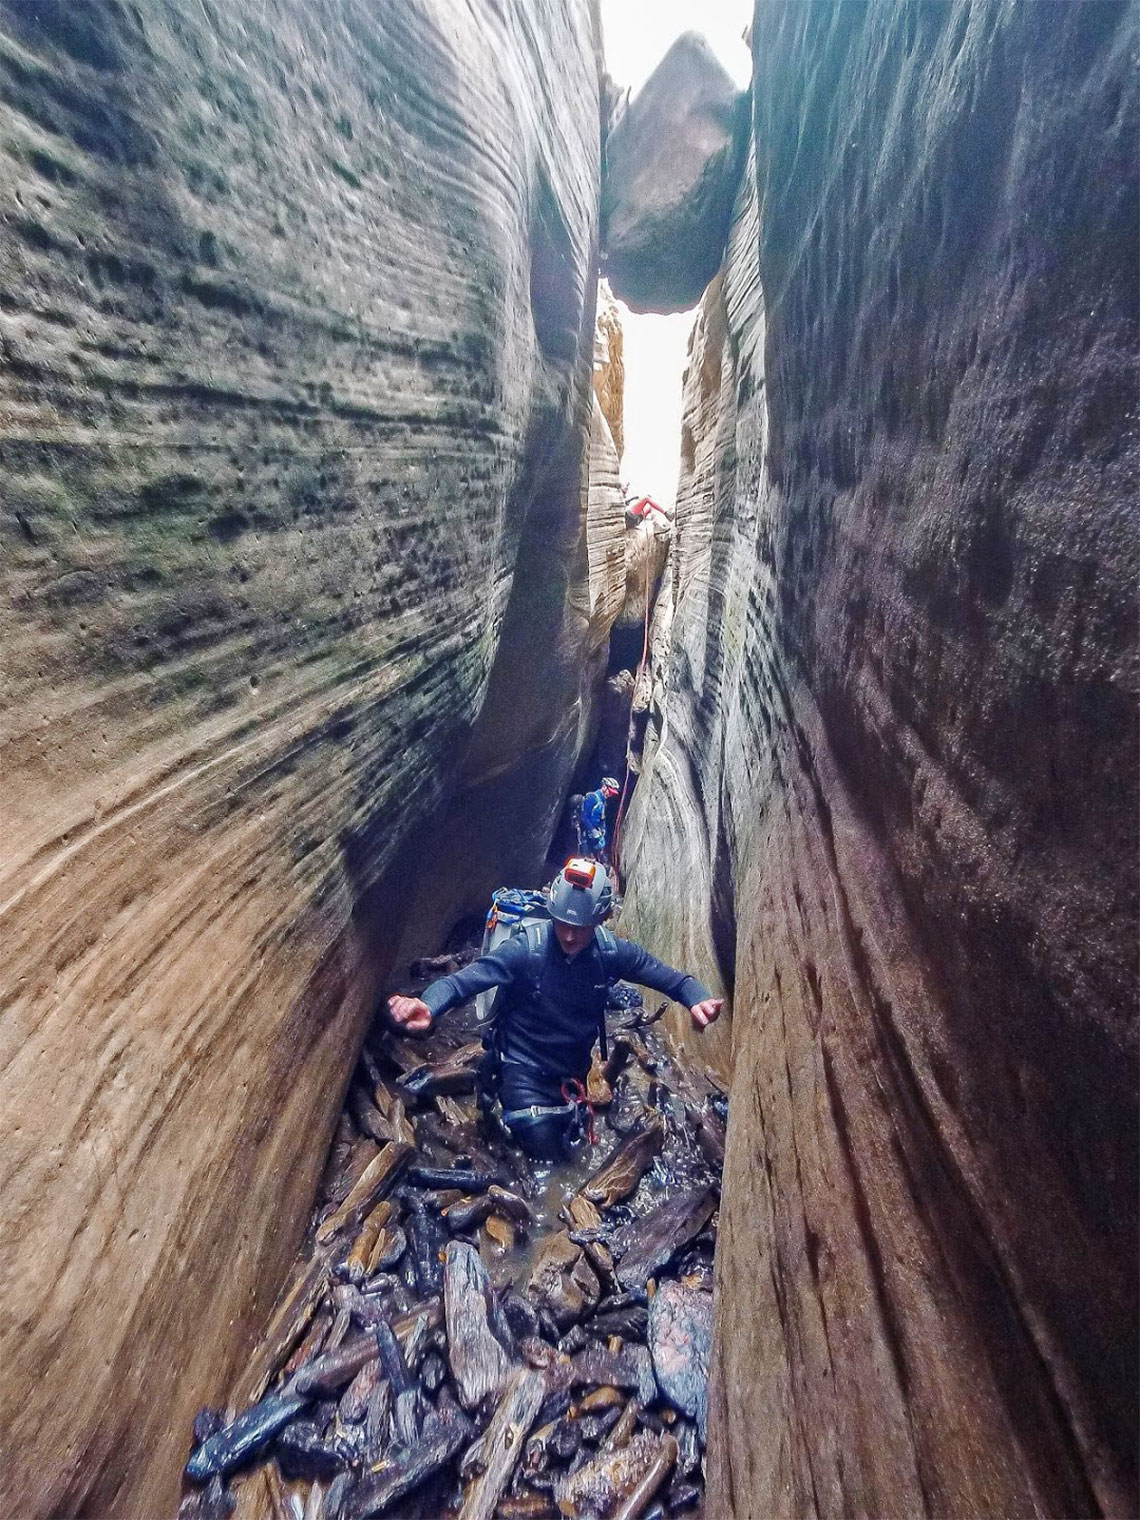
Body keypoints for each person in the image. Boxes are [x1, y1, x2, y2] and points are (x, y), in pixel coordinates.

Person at [387, 858, 723, 1162]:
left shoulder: (611, 953)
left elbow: (670, 978)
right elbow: (464, 981)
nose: (570, 935)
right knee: (547, 1155)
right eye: (562, 922)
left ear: (601, 920)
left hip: (571, 1069)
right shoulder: (525, 950)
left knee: (571, 1137)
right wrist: (428, 1005)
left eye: (581, 926)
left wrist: (697, 998)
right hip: (522, 1068)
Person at [578, 777, 620, 862]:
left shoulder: (603, 801)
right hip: (586, 833)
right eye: (610, 792)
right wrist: (592, 830)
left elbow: (602, 817)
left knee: (599, 851)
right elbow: (584, 816)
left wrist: (602, 829)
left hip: (596, 833)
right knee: (585, 856)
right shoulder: (592, 798)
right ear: (604, 787)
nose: (610, 795)